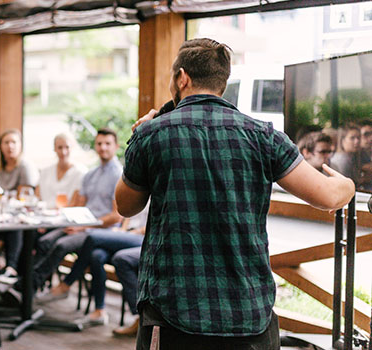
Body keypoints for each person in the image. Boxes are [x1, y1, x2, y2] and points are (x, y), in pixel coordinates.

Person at [116, 38, 355, 350]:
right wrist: (348, 185)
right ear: (222, 82)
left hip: (173, 313)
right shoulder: (264, 136)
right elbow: (328, 197)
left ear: (183, 77)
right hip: (247, 314)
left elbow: (126, 205)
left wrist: (139, 138)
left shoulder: (153, 133)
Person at [28, 128, 123, 316]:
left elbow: (116, 216)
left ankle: (29, 286)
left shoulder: (119, 175)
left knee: (61, 245)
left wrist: (83, 226)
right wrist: (72, 222)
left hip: (101, 231)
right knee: (44, 241)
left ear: (116, 147)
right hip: (81, 226)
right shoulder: (90, 174)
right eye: (99, 143)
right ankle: (30, 284)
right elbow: (79, 206)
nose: (103, 148)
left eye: (107, 144)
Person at [44, 208, 147, 327]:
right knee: (96, 256)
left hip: (138, 237)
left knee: (92, 238)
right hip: (122, 234)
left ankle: (67, 283)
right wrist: (120, 231)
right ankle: (99, 311)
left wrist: (126, 233)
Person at [0, 129, 39, 279]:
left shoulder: (25, 166)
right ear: (1, 146)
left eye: (14, 142)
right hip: (1, 215)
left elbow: (24, 196)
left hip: (22, 217)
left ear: (20, 145)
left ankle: (11, 269)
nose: (10, 146)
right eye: (6, 142)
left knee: (14, 227)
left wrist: (3, 197)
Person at [36, 133, 86, 208]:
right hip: (43, 213)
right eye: (60, 148)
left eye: (67, 147)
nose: (63, 152)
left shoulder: (80, 172)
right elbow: (37, 196)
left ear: (72, 148)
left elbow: (75, 203)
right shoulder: (45, 171)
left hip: (65, 216)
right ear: (55, 149)